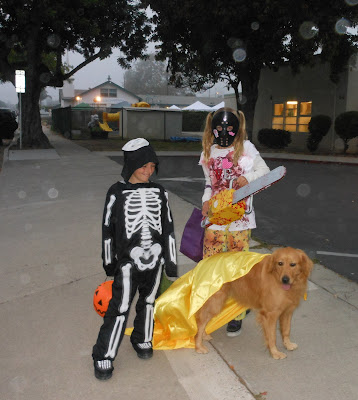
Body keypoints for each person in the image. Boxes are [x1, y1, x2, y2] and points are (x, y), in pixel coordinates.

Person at [92, 138, 177, 380]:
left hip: (156, 260)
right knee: (119, 308)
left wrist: (169, 261)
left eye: (152, 166)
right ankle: (104, 355)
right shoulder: (116, 192)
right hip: (128, 263)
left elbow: (168, 227)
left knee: (149, 303)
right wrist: (109, 262)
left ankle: (142, 339)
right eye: (144, 166)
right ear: (131, 165)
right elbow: (107, 229)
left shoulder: (160, 192)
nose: (149, 171)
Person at [199, 107, 270, 337]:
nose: (224, 133)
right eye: (219, 128)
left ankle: (236, 314)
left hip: (240, 221)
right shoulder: (209, 152)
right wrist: (205, 201)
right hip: (216, 220)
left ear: (238, 128)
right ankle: (211, 310)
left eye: (230, 129)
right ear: (212, 128)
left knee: (238, 270)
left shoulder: (246, 149)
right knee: (211, 268)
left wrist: (246, 178)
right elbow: (209, 184)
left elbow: (265, 172)